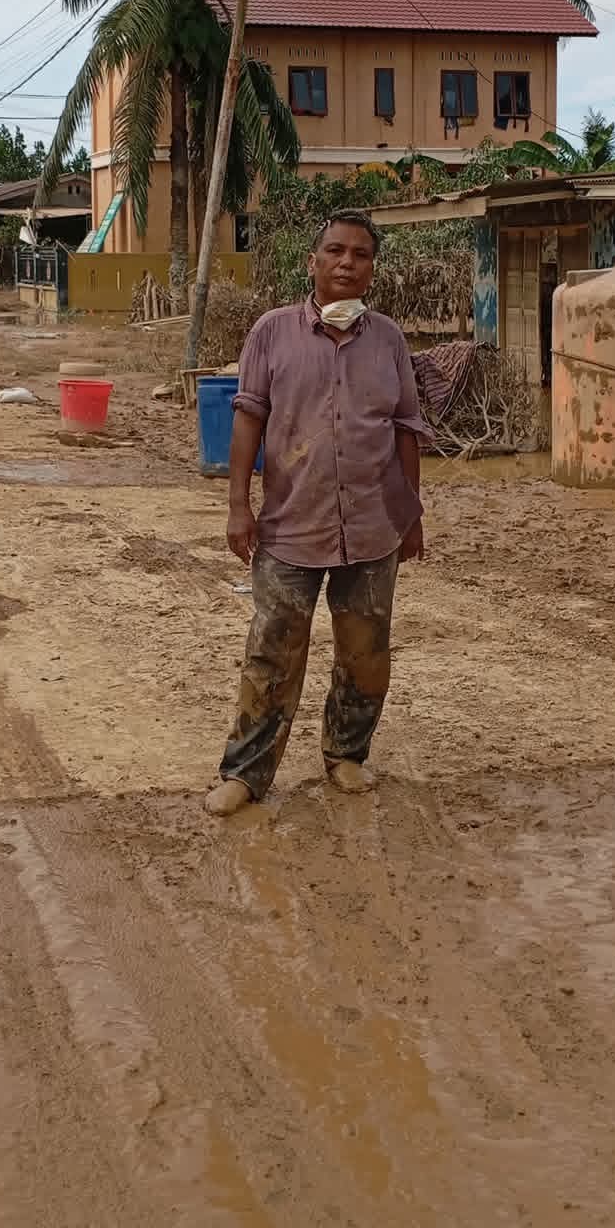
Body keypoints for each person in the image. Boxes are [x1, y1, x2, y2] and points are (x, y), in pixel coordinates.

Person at [204, 211, 427, 817]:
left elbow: (405, 428)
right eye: (335, 251)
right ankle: (246, 773)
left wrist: (412, 512)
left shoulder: (388, 339)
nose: (347, 263)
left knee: (365, 649)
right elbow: (248, 416)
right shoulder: (272, 332)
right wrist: (237, 508)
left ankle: (346, 754)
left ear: (372, 269)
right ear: (313, 262)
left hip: (374, 525)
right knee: (272, 650)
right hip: (288, 525)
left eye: (360, 254)